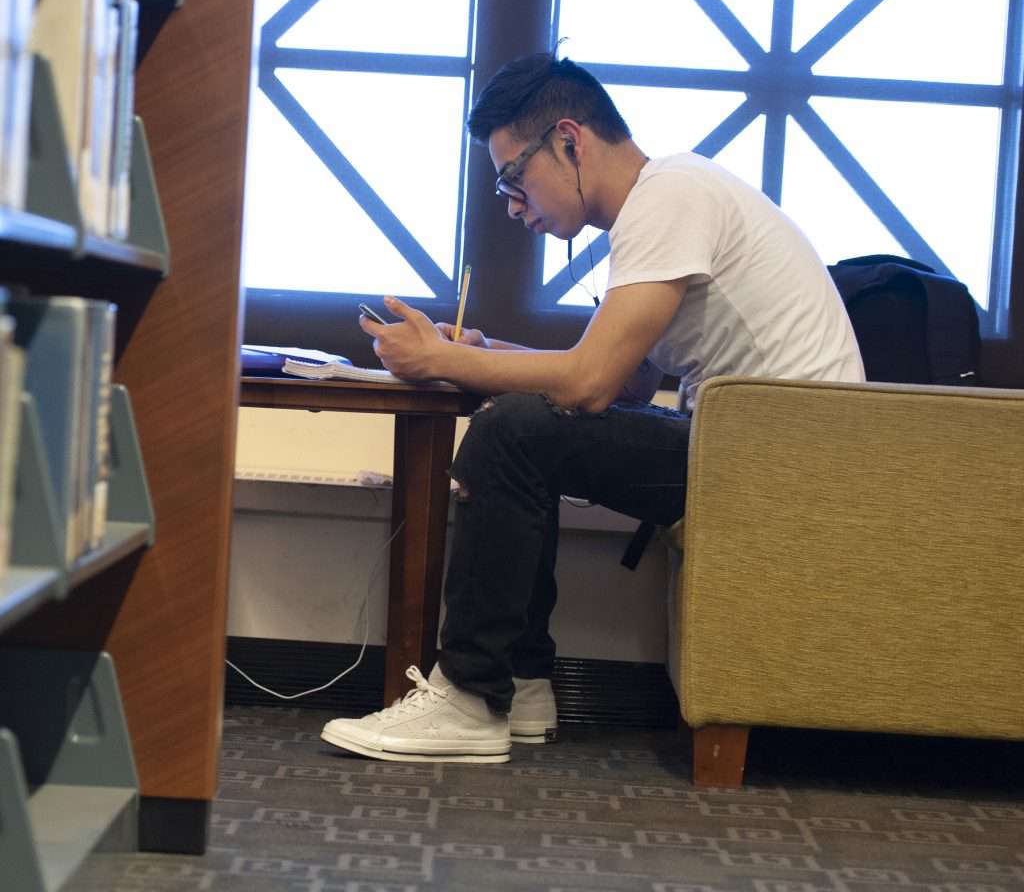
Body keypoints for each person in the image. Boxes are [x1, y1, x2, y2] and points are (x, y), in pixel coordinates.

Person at [320, 52, 864, 764]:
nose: (515, 207)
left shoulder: (669, 198)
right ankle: (523, 678)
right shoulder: (670, 200)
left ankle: (469, 698)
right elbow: (630, 381)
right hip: (756, 443)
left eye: (514, 178)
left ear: (570, 142)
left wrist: (446, 361)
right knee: (531, 425)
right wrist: (485, 347)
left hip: (784, 460)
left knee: (512, 430)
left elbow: (590, 382)